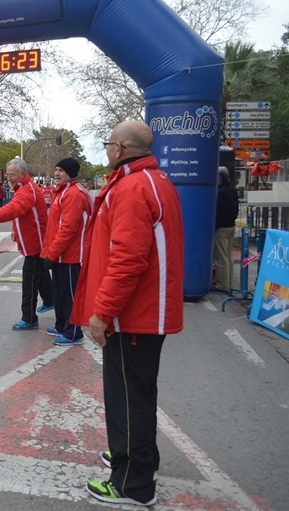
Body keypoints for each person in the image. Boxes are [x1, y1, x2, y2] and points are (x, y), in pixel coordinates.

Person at [71, 121, 184, 507]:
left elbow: (128, 258)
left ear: (118, 148)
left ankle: (132, 483)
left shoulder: (134, 187)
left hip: (133, 314)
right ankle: (139, 460)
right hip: (144, 311)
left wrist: (102, 312)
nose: (106, 149)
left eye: (107, 143)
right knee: (138, 392)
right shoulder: (152, 180)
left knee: (127, 399)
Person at [0, 158, 53, 330]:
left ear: (22, 173)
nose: (9, 178)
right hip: (32, 241)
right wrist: (15, 229)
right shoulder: (22, 188)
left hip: (35, 243)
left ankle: (29, 318)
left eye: (12, 174)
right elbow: (19, 212)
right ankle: (51, 300)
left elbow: (15, 208)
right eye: (8, 174)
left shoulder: (27, 190)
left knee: (29, 281)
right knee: (40, 274)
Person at [40, 157, 92, 346]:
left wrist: (52, 253)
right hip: (61, 255)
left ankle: (74, 332)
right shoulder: (63, 192)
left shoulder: (74, 194)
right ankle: (62, 326)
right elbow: (55, 226)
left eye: (61, 170)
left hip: (71, 256)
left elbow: (68, 229)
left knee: (70, 295)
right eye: (56, 170)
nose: (56, 173)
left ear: (70, 173)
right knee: (60, 293)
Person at [213, 166, 239, 293]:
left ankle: (222, 285)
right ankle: (229, 283)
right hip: (231, 226)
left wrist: (214, 227)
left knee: (221, 257)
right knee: (228, 256)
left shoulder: (220, 192)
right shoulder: (233, 190)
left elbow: (219, 212)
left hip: (221, 228)